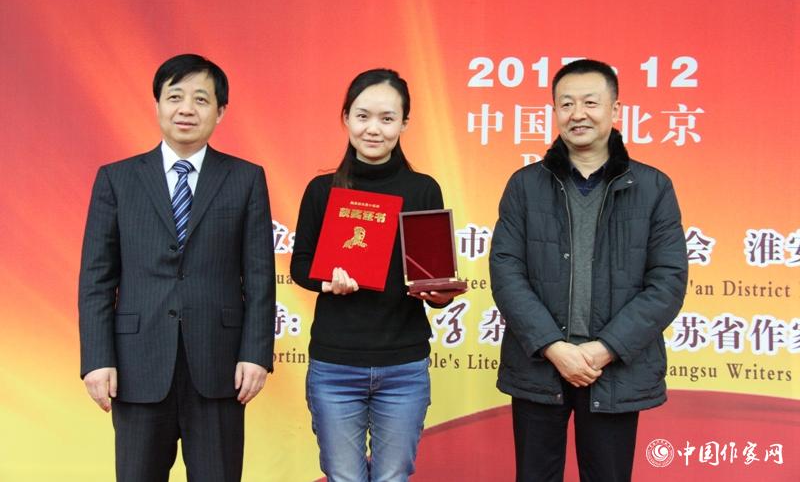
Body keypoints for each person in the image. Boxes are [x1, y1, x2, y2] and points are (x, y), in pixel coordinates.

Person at [78, 53, 276, 482]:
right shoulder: (117, 179)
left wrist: (256, 354)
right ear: (157, 105)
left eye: (201, 99)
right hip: (137, 365)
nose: (187, 109)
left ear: (220, 112)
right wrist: (96, 359)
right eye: (175, 97)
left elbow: (260, 277)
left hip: (219, 365)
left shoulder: (245, 179)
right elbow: (96, 278)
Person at [489, 59, 688, 481]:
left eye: (590, 103)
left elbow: (667, 282)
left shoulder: (654, 187)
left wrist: (605, 348)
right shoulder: (524, 185)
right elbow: (506, 271)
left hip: (613, 369)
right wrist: (553, 346)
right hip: (540, 366)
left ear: (616, 110)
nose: (577, 114)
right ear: (554, 112)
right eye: (566, 104)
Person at [290, 68, 464, 482]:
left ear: (404, 123)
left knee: (392, 477)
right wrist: (326, 281)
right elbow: (300, 265)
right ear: (346, 118)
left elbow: (433, 277)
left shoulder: (423, 189)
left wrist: (440, 295)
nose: (374, 129)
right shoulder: (322, 189)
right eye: (363, 116)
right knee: (344, 477)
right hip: (335, 364)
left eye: (387, 118)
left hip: (403, 364)